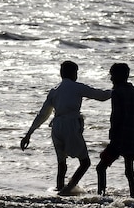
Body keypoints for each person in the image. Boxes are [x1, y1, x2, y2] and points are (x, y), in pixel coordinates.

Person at [20, 61, 111, 195]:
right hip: (71, 125)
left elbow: (43, 115)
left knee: (61, 162)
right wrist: (116, 90)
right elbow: (101, 96)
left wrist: (29, 134)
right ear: (74, 73)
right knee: (85, 162)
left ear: (61, 73)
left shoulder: (54, 91)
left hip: (56, 126)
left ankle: (59, 187)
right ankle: (68, 188)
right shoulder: (77, 87)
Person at [96, 63, 134, 198]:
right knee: (129, 170)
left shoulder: (117, 92)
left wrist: (112, 136)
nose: (111, 79)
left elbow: (116, 116)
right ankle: (133, 197)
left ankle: (101, 195)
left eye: (112, 76)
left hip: (120, 138)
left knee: (101, 167)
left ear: (118, 76)